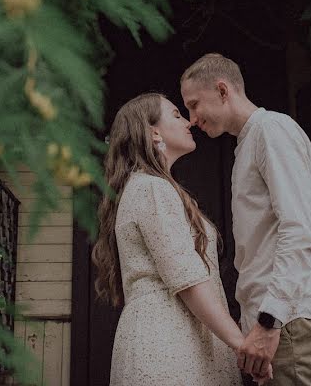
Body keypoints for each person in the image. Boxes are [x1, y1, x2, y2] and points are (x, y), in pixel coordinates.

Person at [180, 53, 311, 386]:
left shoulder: (271, 130)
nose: (191, 118)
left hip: (290, 320)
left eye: (194, 104)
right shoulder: (250, 142)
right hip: (278, 322)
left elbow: (299, 230)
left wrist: (270, 321)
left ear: (223, 90)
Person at [92, 93, 271, 385]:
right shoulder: (152, 189)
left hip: (175, 338)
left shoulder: (146, 188)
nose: (188, 122)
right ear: (154, 133)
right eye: (176, 115)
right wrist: (241, 344)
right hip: (169, 342)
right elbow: (187, 279)